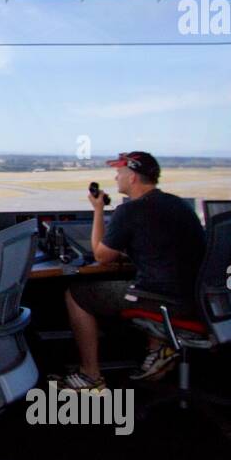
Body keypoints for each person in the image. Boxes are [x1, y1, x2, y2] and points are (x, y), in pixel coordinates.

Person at [56, 151, 205, 391]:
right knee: (145, 280)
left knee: (76, 294)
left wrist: (97, 210)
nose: (116, 178)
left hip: (163, 301)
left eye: (119, 173)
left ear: (133, 177)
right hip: (195, 300)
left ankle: (90, 376)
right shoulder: (178, 205)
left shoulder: (130, 211)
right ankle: (157, 349)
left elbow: (101, 256)